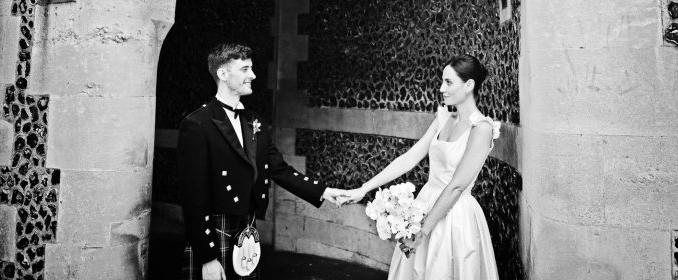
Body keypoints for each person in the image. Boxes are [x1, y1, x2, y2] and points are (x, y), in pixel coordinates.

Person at [177, 42, 343, 280]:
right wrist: (207, 256)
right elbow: (194, 198)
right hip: (214, 231)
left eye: (251, 68)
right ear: (223, 74)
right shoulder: (197, 124)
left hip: (247, 229)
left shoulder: (255, 121)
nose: (253, 75)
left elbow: (279, 169)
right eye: (245, 69)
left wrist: (324, 191)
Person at [337, 54, 501, 280]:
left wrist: (421, 232)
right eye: (442, 81)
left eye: (449, 82)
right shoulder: (444, 117)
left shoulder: (482, 128)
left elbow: (457, 186)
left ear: (469, 85)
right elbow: (409, 158)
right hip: (425, 203)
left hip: (455, 216)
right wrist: (363, 189)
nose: (442, 88)